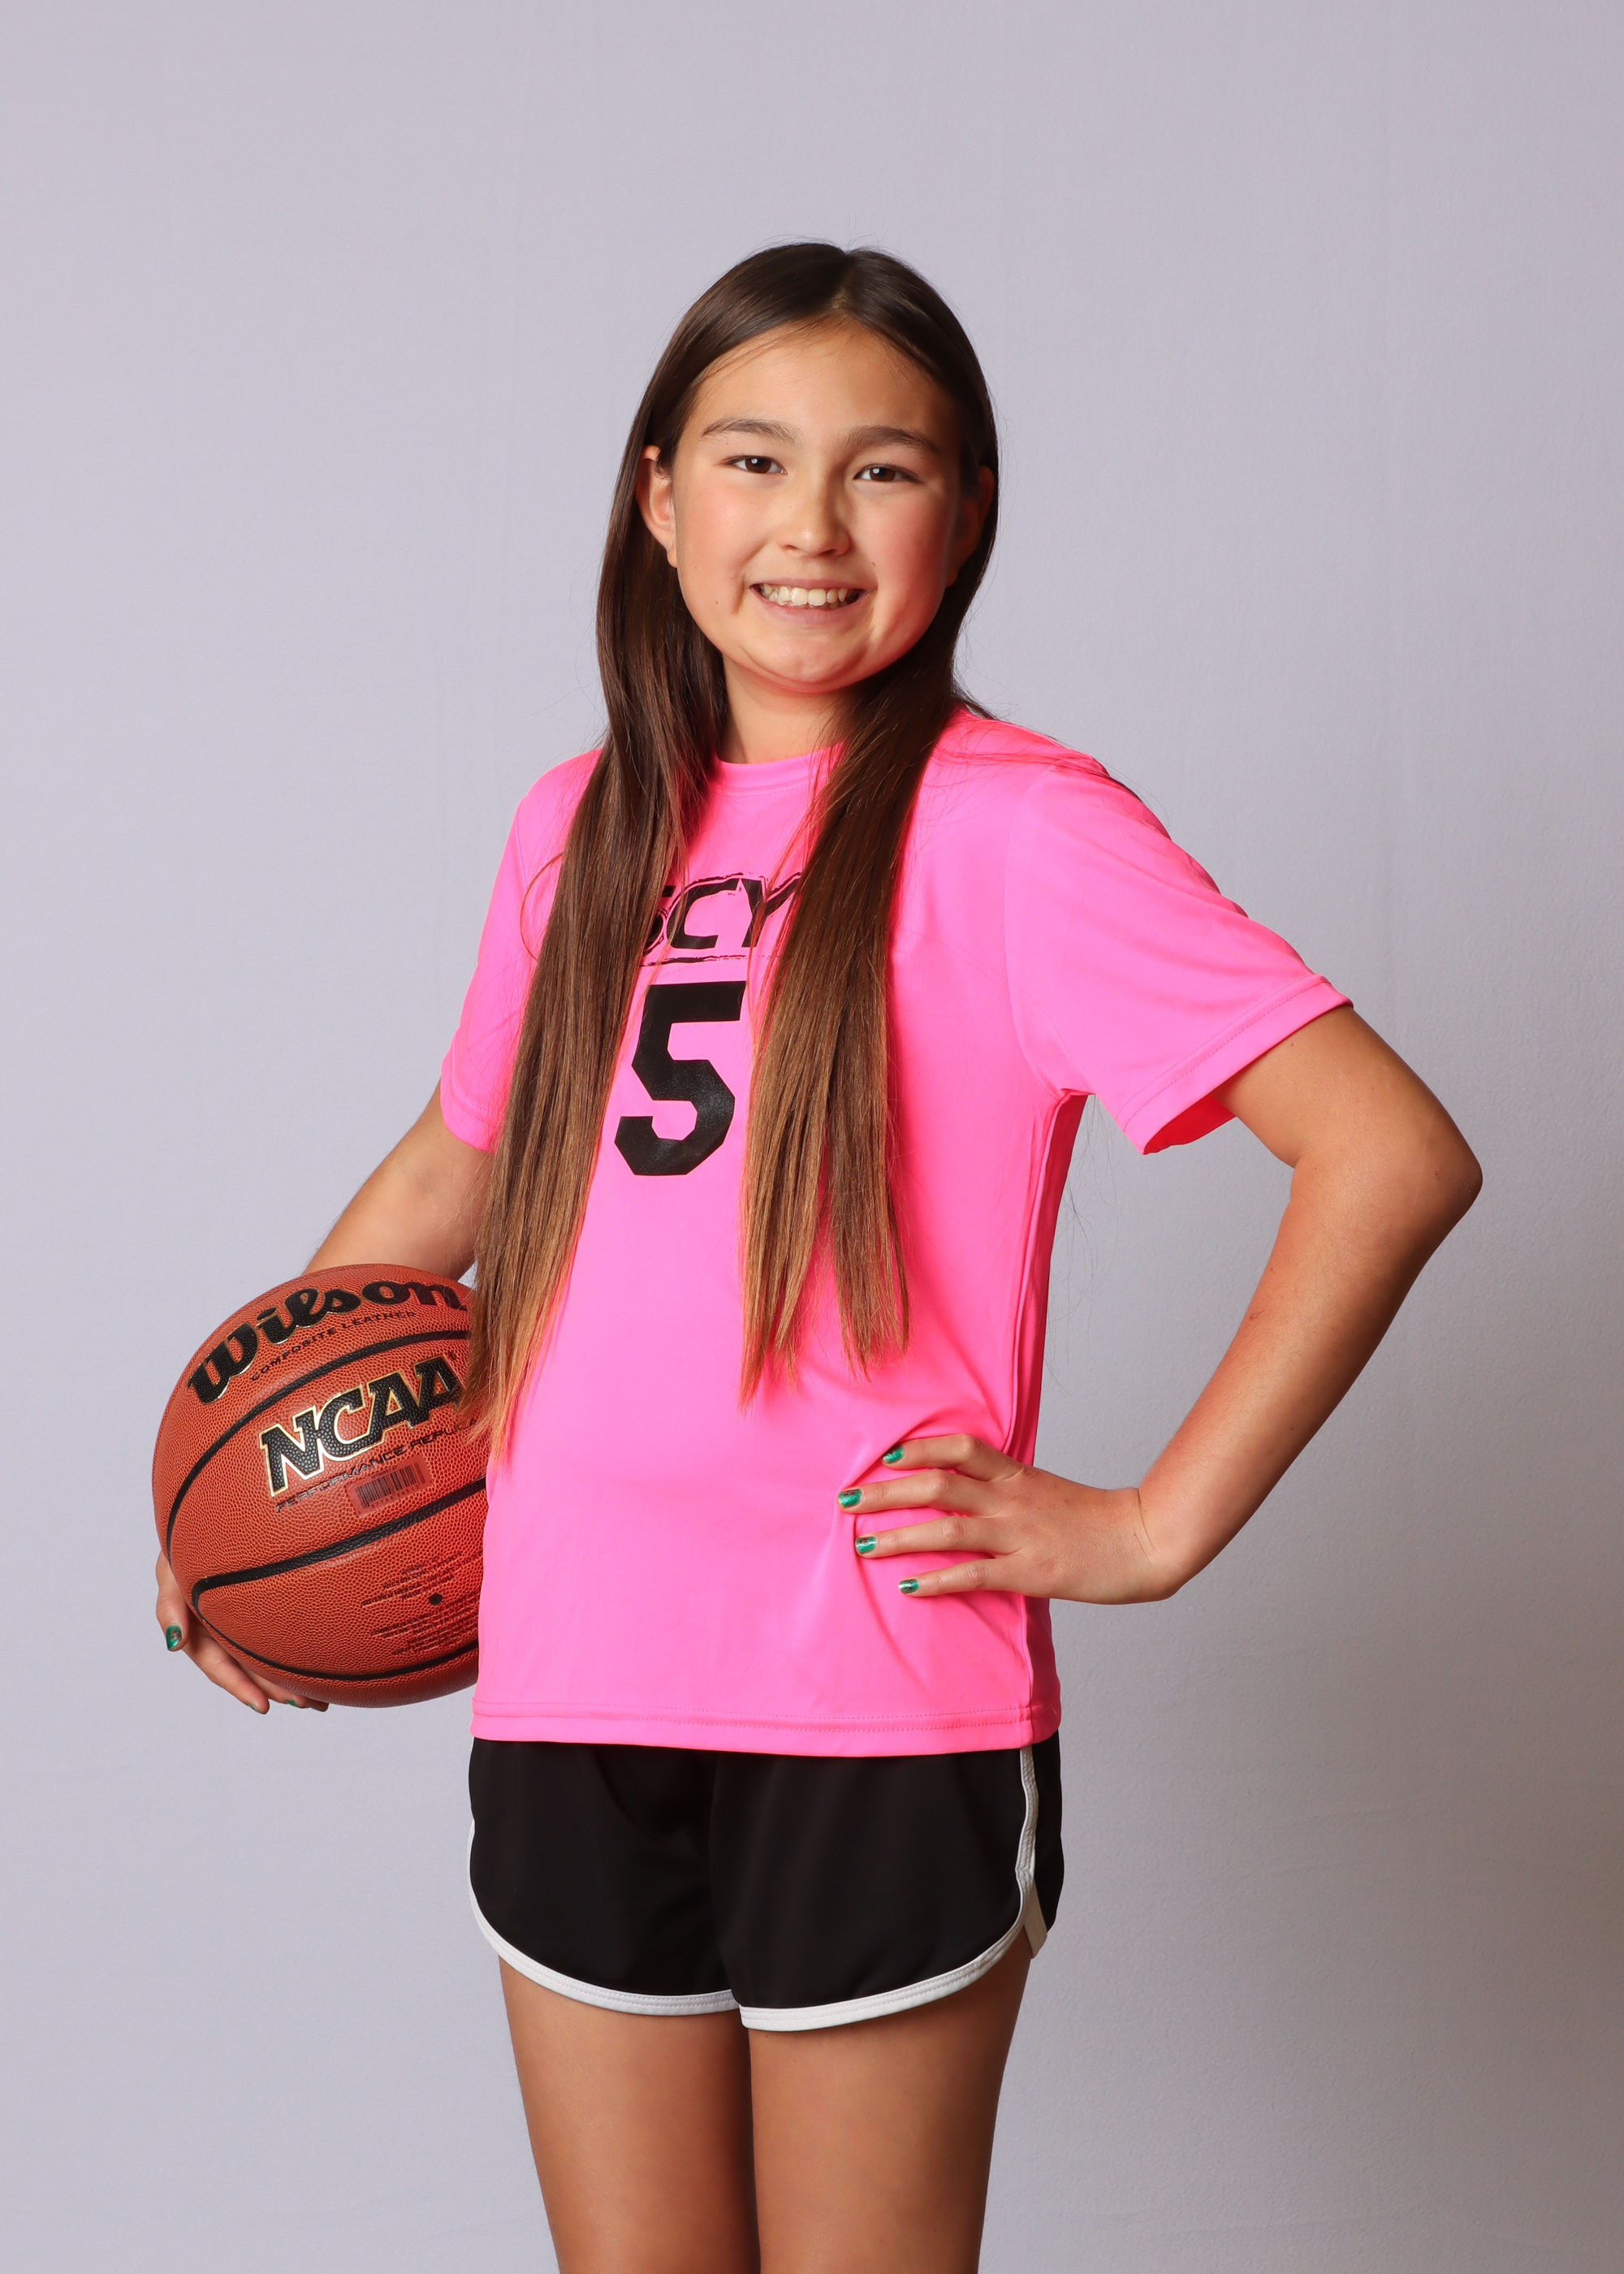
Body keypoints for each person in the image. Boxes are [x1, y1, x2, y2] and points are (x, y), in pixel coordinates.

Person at [154, 243, 1480, 2273]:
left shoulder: (1018, 829)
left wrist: (1150, 1527)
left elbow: (1387, 1151)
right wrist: (259, 1484)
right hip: (574, 1680)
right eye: (756, 458)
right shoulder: (577, 825)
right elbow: (455, 1170)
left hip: (870, 1693)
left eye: (885, 468)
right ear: (658, 496)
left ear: (966, 514)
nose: (811, 524)